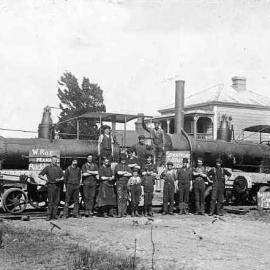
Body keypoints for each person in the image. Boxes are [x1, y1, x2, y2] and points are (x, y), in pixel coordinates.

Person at [39, 155, 64, 221]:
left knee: (57, 201)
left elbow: (63, 177)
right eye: (54, 160)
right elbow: (40, 175)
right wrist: (45, 179)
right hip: (50, 186)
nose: (55, 161)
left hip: (58, 186)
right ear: (51, 160)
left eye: (56, 160)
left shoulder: (59, 168)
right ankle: (49, 215)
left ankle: (55, 215)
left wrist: (60, 179)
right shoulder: (47, 168)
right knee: (50, 201)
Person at [115, 153, 132, 217]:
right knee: (119, 198)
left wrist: (123, 173)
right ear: (120, 159)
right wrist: (125, 172)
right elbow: (118, 173)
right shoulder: (117, 166)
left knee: (125, 198)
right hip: (119, 183)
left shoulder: (127, 166)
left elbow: (130, 174)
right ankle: (119, 212)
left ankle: (124, 212)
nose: (123, 160)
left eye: (124, 159)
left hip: (126, 183)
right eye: (122, 159)